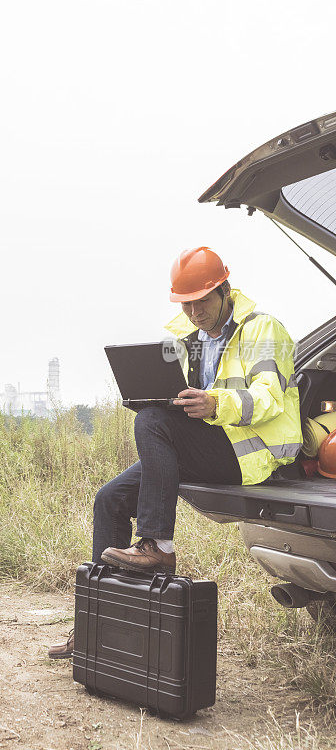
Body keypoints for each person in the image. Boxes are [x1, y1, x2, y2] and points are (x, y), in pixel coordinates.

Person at [48, 246, 302, 659]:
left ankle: (158, 546)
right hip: (201, 444)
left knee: (151, 423)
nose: (195, 312)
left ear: (225, 290)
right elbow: (178, 402)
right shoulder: (187, 341)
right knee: (110, 498)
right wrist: (151, 397)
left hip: (249, 453)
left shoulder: (261, 330)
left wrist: (217, 403)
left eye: (202, 301)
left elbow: (269, 397)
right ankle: (96, 628)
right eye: (186, 304)